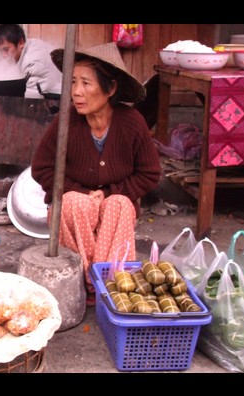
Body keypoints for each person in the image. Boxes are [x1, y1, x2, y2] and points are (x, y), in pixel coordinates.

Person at [31, 42, 161, 306]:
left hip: (113, 204)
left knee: (120, 205)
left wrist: (109, 193)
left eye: (86, 84)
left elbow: (150, 173)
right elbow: (42, 168)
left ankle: (108, 281)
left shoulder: (131, 122)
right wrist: (83, 192)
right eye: (74, 82)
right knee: (72, 203)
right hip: (76, 207)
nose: (76, 92)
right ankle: (86, 281)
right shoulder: (66, 121)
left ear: (110, 88)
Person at [0, 24, 62, 99]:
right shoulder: (29, 45)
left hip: (60, 101)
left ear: (20, 43)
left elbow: (31, 100)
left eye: (6, 49)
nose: (3, 55)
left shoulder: (32, 63)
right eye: (0, 51)